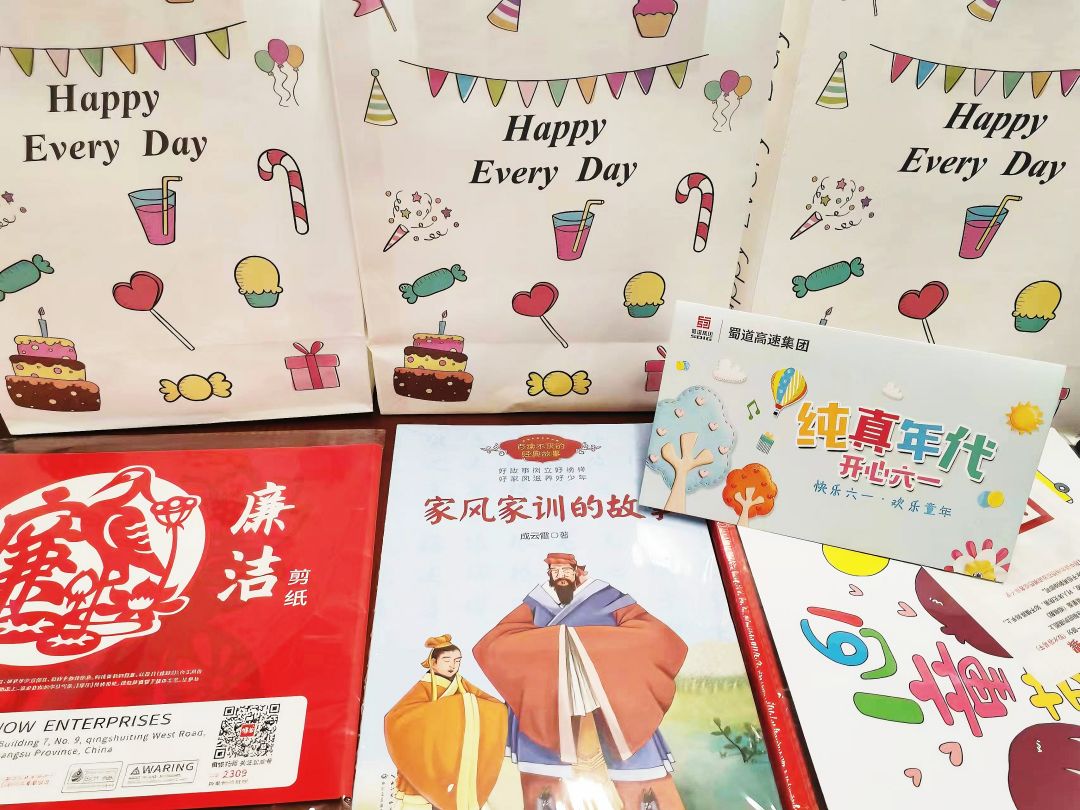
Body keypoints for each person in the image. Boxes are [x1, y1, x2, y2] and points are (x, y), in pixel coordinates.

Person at [473, 553, 688, 809]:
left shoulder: (608, 598)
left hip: (609, 703)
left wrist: (591, 647)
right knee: (546, 787)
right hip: (551, 704)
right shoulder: (537, 603)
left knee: (640, 782)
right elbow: (493, 644)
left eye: (566, 570)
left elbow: (656, 636)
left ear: (579, 572)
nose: (561, 576)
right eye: (555, 572)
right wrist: (552, 647)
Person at [384, 634, 508, 810]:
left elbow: (493, 705)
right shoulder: (424, 686)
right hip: (428, 754)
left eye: (457, 661)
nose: (453, 665)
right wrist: (455, 706)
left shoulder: (461, 683)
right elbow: (396, 717)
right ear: (433, 663)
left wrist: (468, 705)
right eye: (447, 660)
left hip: (451, 754)